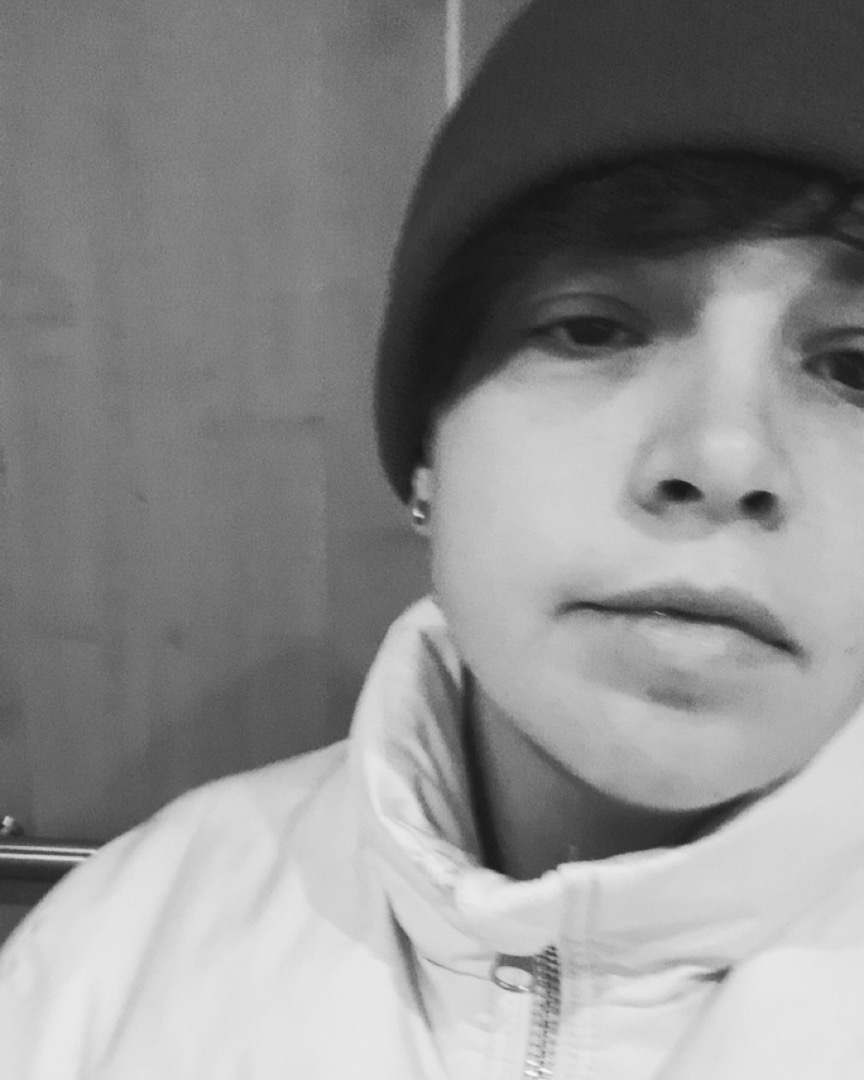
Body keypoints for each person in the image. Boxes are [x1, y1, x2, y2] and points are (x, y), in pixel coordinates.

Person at [5, 0, 864, 1075]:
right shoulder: (115, 958)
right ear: (427, 452)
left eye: (854, 369)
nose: (725, 457)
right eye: (590, 328)